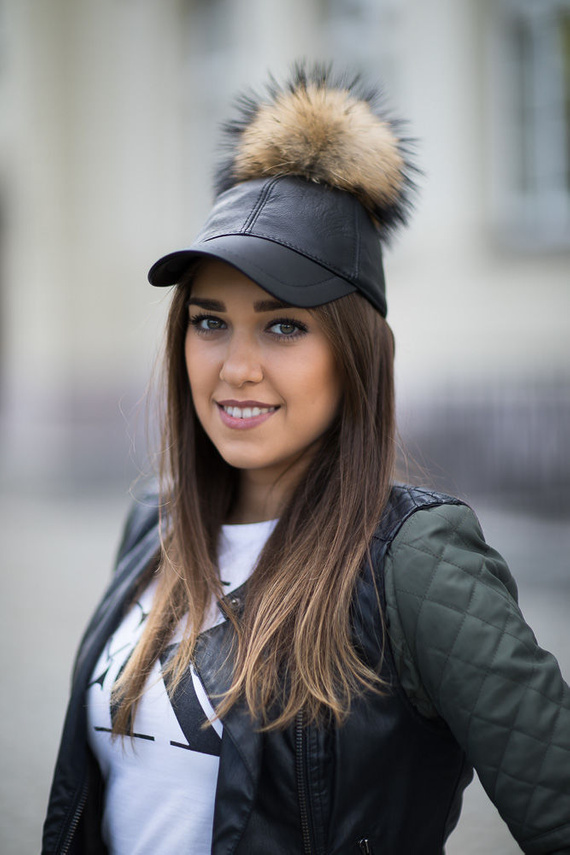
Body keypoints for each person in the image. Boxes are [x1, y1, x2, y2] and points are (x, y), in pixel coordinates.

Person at [42, 64, 570, 855]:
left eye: (283, 326)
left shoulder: (416, 562)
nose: (235, 366)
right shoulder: (154, 522)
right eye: (210, 321)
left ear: (354, 355)